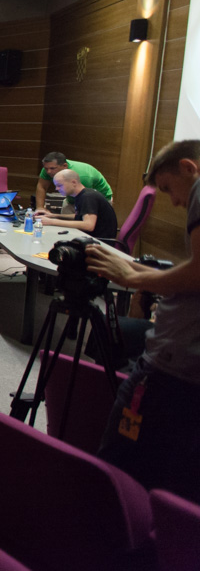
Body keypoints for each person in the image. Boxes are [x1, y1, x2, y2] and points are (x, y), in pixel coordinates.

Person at [86, 140, 200, 502]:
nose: (175, 202)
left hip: (174, 367)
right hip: (183, 365)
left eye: (168, 188)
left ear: (188, 168)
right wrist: (137, 271)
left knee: (119, 465)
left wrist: (133, 277)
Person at [33, 169, 118, 240]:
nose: (56, 188)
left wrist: (51, 222)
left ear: (74, 182)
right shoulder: (82, 195)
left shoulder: (88, 197)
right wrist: (53, 215)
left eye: (59, 185)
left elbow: (89, 225)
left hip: (100, 242)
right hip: (91, 238)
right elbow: (80, 216)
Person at [36, 151, 112, 209]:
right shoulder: (48, 169)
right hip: (72, 199)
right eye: (46, 168)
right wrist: (40, 208)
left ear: (64, 166)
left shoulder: (82, 176)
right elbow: (42, 187)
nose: (48, 171)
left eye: (52, 168)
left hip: (98, 200)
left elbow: (87, 199)